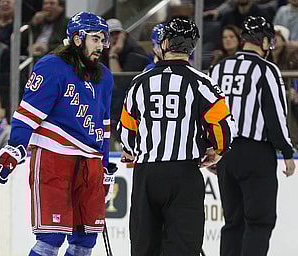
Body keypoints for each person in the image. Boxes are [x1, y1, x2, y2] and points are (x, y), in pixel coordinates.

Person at [0, 11, 117, 256]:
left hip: (90, 164)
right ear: (77, 39)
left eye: (103, 40)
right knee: (50, 240)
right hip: (54, 158)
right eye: (95, 39)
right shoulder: (51, 66)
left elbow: (104, 126)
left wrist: (105, 167)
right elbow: (28, 114)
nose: (101, 46)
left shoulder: (105, 77)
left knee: (85, 243)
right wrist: (15, 149)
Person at [116, 17, 234, 256]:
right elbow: (223, 124)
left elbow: (126, 132)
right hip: (184, 174)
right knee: (182, 247)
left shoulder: (139, 82)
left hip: (147, 175)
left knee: (144, 246)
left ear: (165, 43)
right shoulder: (202, 82)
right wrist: (217, 151)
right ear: (192, 48)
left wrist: (133, 150)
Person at [209, 16, 296, 256]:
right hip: (256, 154)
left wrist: (212, 149)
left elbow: (206, 112)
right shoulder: (267, 69)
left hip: (225, 153)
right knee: (259, 222)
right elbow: (275, 113)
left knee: (233, 223)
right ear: (265, 41)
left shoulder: (218, 68)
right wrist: (287, 152)